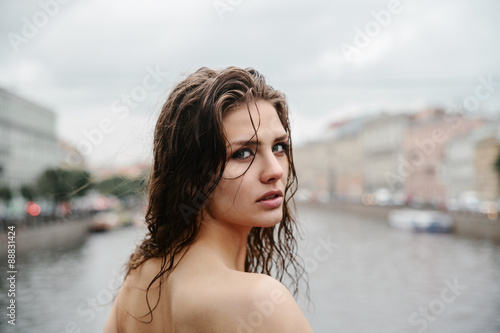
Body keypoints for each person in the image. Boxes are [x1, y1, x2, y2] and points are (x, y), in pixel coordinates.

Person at [104, 66, 313, 332]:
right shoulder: (261, 301)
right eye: (243, 153)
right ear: (192, 178)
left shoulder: (140, 278)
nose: (274, 170)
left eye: (279, 147)